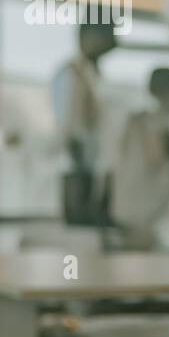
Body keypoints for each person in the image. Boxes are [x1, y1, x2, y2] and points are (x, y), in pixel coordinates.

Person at [52, 20, 116, 224]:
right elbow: (70, 132)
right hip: (78, 174)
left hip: (92, 172)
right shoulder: (71, 75)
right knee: (80, 234)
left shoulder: (93, 75)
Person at [111, 68, 169, 249]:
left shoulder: (137, 120)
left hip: (133, 214)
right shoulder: (156, 124)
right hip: (142, 217)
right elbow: (156, 159)